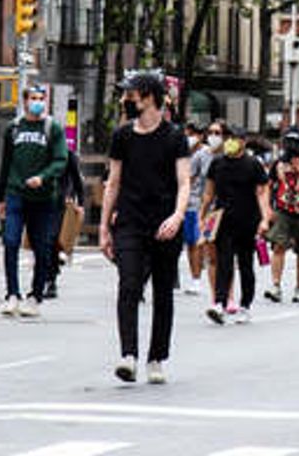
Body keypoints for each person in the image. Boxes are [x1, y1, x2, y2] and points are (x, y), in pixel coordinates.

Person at [99, 72, 190, 384]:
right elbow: (113, 183)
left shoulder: (175, 137)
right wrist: (103, 228)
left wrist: (177, 216)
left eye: (131, 94)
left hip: (164, 224)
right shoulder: (122, 136)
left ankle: (156, 358)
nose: (127, 99)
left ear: (149, 97)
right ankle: (129, 355)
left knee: (163, 291)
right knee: (129, 285)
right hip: (130, 223)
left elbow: (184, 182)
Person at [0, 85, 68, 318]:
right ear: (25, 101)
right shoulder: (14, 129)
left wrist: (43, 177)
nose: (37, 102)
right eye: (33, 98)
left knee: (43, 247)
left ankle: (35, 295)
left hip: (44, 198)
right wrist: (1, 197)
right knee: (10, 241)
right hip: (16, 193)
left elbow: (61, 160)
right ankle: (12, 294)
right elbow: (5, 163)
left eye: (41, 98)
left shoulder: (52, 128)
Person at [200, 125, 270, 324]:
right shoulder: (217, 163)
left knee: (246, 264)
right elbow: (209, 193)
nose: (230, 141)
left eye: (235, 138)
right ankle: (219, 303)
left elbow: (262, 193)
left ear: (243, 141)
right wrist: (202, 216)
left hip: (248, 220)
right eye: (228, 137)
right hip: (224, 219)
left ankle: (246, 304)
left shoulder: (253, 164)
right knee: (224, 262)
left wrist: (264, 219)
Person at [263, 126, 299, 304]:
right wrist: (268, 210)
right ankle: (276, 286)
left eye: (295, 141)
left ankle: (298, 288)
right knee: (278, 246)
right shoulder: (279, 162)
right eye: (289, 141)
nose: (292, 145)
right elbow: (267, 185)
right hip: (282, 211)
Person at [184, 121, 223, 297]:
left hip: (224, 208)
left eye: (218, 132)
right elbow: (190, 179)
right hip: (200, 206)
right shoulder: (201, 156)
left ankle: (222, 283)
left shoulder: (230, 155)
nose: (213, 136)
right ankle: (197, 279)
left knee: (217, 246)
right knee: (197, 242)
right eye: (211, 132)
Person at [47, 146, 85, 299]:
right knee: (43, 241)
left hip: (60, 203)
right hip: (42, 201)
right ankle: (48, 274)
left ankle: (51, 281)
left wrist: (80, 204)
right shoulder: (42, 153)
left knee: (53, 239)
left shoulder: (68, 155)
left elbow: (77, 181)